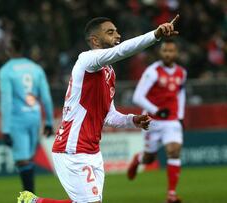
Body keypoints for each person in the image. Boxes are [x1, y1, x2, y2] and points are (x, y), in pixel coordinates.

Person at [18, 14, 180, 203]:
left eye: (117, 31)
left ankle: (34, 202)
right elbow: (121, 51)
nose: (117, 35)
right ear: (95, 40)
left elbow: (109, 115)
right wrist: (155, 34)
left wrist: (132, 120)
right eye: (110, 32)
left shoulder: (108, 71)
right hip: (72, 148)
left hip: (93, 151)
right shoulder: (87, 60)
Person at [127, 39, 186, 203]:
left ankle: (171, 194)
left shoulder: (182, 72)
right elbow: (137, 97)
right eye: (165, 51)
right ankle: (137, 160)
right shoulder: (152, 71)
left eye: (171, 51)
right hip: (151, 120)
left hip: (172, 120)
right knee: (149, 158)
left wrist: (180, 116)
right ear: (161, 53)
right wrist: (156, 110)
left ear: (176, 53)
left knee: (174, 151)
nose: (168, 54)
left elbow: (180, 94)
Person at [0, 37, 54, 193]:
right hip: (35, 117)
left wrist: (5, 129)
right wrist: (49, 121)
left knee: (22, 160)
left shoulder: (6, 71)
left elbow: (7, 101)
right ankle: (30, 197)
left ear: (9, 50)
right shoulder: (36, 68)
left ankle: (29, 198)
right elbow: (46, 97)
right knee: (28, 159)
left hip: (18, 119)